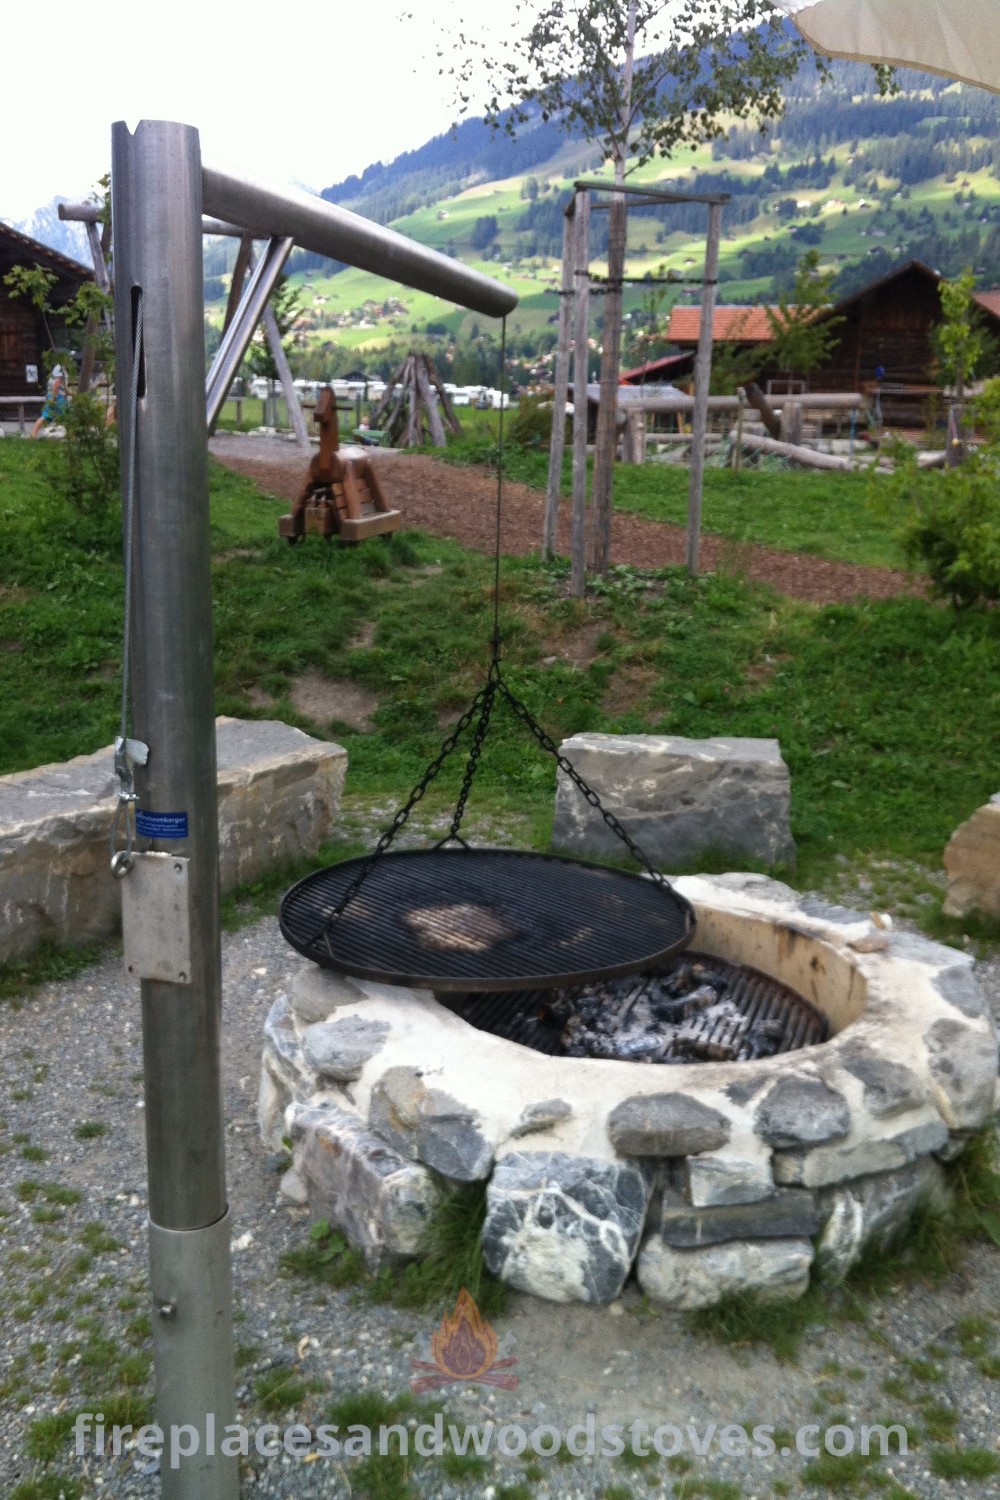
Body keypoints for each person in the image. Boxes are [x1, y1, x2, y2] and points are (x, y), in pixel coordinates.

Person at [31, 365, 69, 439]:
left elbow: (63, 386)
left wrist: (73, 393)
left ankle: (33, 434)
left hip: (55, 395)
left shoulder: (60, 369)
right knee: (65, 415)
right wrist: (53, 398)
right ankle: (72, 436)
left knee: (47, 414)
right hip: (57, 397)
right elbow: (57, 383)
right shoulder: (60, 368)